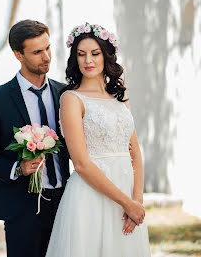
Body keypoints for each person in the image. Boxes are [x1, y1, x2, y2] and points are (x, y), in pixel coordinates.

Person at [45, 23, 151, 257]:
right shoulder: (71, 99)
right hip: (90, 196)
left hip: (127, 197)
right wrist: (127, 202)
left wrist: (137, 200)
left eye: (95, 53)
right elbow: (81, 164)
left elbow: (135, 152)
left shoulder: (120, 99)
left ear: (106, 56)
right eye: (81, 54)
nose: (88, 60)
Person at [0, 19, 70, 257]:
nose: (46, 56)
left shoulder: (66, 94)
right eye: (37, 52)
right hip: (21, 208)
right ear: (18, 54)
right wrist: (18, 168)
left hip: (65, 203)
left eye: (47, 48)